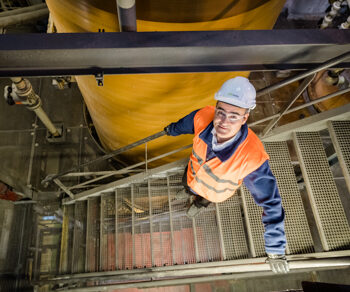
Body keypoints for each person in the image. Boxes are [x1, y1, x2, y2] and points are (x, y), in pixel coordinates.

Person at [164, 76, 289, 274]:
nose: (223, 121)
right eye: (221, 112)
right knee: (188, 186)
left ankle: (199, 204)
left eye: (233, 116)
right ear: (216, 108)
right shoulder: (203, 116)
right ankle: (188, 192)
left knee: (206, 199)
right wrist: (171, 130)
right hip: (191, 177)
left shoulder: (252, 158)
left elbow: (271, 204)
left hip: (215, 193)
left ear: (245, 118)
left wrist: (275, 249)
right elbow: (184, 124)